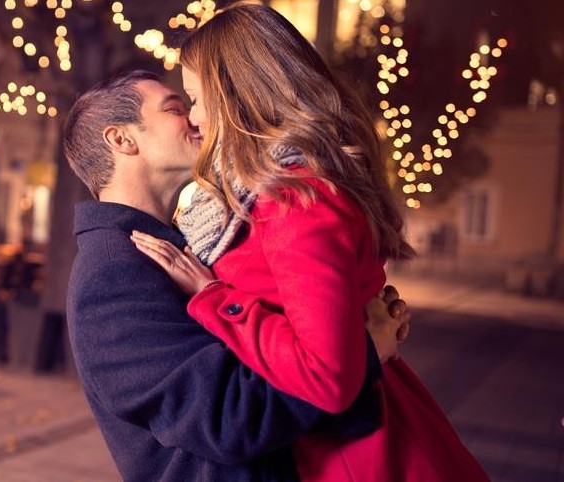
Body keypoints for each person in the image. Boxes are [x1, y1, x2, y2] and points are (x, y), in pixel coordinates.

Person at [130, 4, 488, 482]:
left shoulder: (295, 197)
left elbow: (328, 377)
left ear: (237, 94)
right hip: (331, 437)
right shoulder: (268, 189)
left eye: (196, 98)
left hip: (354, 454)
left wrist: (215, 298)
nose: (193, 117)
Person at [64, 70, 409, 482]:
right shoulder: (113, 273)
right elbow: (230, 417)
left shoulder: (179, 241)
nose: (195, 119)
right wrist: (362, 351)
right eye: (175, 108)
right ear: (122, 139)